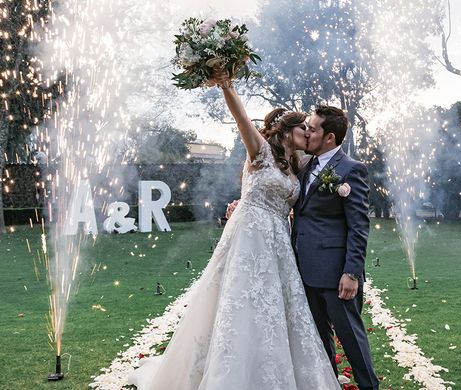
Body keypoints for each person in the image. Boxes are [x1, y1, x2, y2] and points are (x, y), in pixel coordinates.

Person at [127, 71, 339, 390]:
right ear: (287, 128)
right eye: (304, 128)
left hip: (279, 243)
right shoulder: (259, 150)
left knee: (277, 309)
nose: (309, 134)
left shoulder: (295, 165)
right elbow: (239, 113)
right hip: (249, 239)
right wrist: (225, 81)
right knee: (242, 302)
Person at [228, 105, 379, 390]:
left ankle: (370, 386)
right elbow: (275, 197)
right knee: (318, 343)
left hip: (336, 274)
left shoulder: (351, 170)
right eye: (306, 127)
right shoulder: (302, 166)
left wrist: (352, 273)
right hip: (301, 270)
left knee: (352, 339)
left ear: (330, 137)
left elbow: (359, 226)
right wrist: (242, 206)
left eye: (313, 128)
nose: (307, 133)